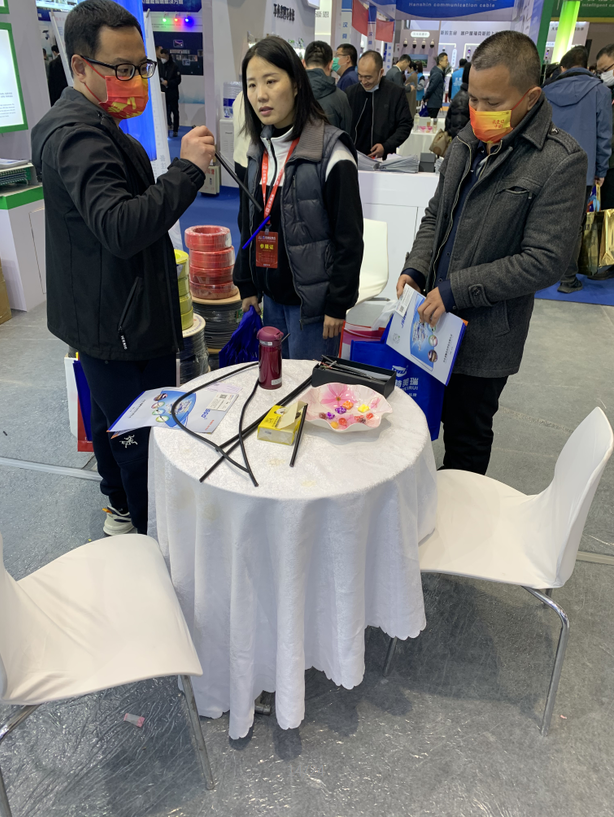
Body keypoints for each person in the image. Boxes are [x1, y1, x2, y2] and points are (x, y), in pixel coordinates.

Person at [31, 0, 215, 535]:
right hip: (120, 321)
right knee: (141, 434)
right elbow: (121, 226)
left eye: (142, 66)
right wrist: (186, 171)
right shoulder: (79, 136)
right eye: (122, 68)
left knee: (113, 418)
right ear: (80, 66)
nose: (135, 80)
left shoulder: (97, 123)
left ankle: (119, 506)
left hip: (111, 310)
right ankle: (150, 535)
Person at [396, 31, 587, 475]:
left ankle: (460, 516)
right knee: (411, 427)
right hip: (429, 321)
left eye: (493, 103)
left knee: (466, 438)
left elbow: (544, 261)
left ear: (530, 97)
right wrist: (416, 267)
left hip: (484, 335)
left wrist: (456, 289)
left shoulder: (559, 161)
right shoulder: (466, 141)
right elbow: (436, 214)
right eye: (474, 99)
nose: (479, 112)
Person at [233, 36, 364, 360]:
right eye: (252, 85)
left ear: (296, 84)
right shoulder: (257, 151)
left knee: (309, 388)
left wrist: (338, 303)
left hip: (314, 309)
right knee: (275, 383)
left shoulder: (332, 152)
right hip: (271, 300)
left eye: (271, 81)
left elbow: (349, 237)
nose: (260, 95)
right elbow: (248, 223)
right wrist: (247, 283)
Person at [543, 45, 612, 293]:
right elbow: (604, 135)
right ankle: (568, 278)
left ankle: (540, 272)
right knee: (574, 224)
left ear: (563, 67)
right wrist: (601, 169)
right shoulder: (600, 92)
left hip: (547, 165)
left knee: (542, 220)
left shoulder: (546, 91)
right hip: (582, 168)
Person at [345, 50, 412, 159]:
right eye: (360, 76)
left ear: (381, 72)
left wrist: (386, 146)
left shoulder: (395, 93)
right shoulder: (351, 93)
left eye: (368, 77)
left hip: (383, 158)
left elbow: (405, 124)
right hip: (354, 156)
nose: (363, 81)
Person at [304, 40, 352, 134]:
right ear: (330, 65)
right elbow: (347, 136)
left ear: (303, 63)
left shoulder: (291, 93)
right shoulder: (340, 98)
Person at [158, 46, 181, 137]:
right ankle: (167, 126)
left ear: (167, 56)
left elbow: (178, 80)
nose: (162, 59)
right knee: (165, 112)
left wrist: (168, 83)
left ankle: (175, 129)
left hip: (173, 93)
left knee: (175, 112)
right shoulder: (161, 66)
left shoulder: (174, 66)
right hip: (164, 93)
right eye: (161, 57)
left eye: (164, 57)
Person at [444, 61, 470, 139]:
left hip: (454, 96)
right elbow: (458, 128)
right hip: (461, 141)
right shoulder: (464, 98)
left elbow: (450, 85)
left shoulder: (454, 74)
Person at [423, 52, 449, 122]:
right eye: (446, 60)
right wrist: (425, 98)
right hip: (433, 103)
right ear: (440, 62)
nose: (447, 62)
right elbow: (431, 87)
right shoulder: (437, 74)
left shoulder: (438, 72)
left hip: (434, 102)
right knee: (430, 122)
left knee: (430, 122)